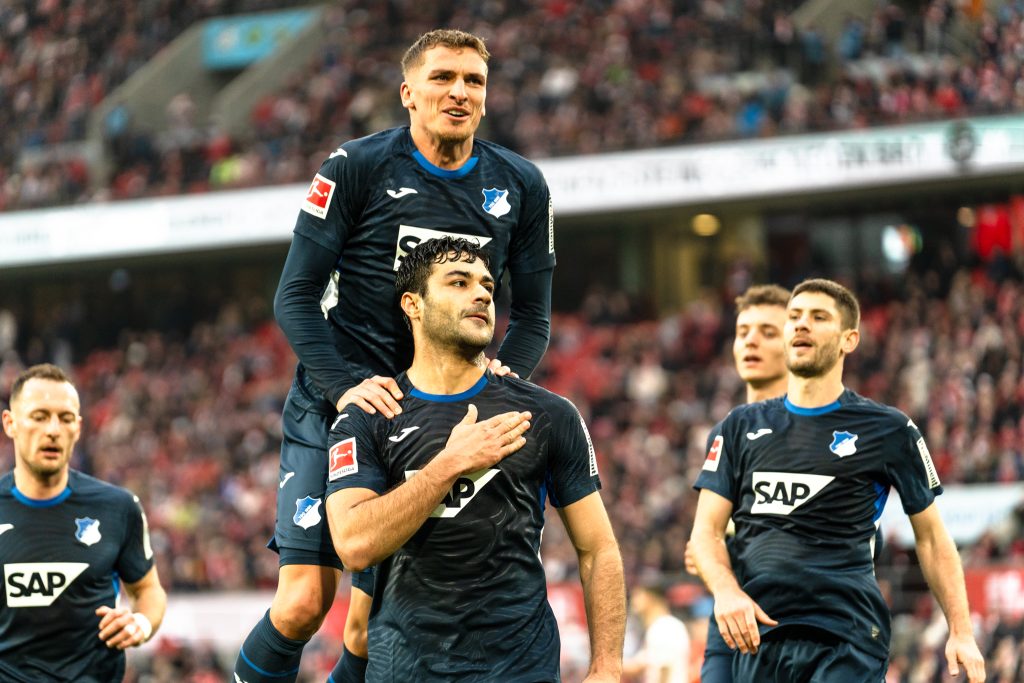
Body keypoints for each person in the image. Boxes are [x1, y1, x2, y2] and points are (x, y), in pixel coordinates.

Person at [232, 28, 556, 683]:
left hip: (429, 417)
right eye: (443, 78)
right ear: (408, 93)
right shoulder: (356, 167)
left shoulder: (520, 184)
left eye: (473, 81)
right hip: (338, 401)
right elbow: (294, 295)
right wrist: (344, 385)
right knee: (301, 605)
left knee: (363, 627)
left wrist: (503, 381)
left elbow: (533, 317)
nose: (459, 92)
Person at [325, 237, 625, 682]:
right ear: (413, 304)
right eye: (459, 282)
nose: (482, 294)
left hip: (519, 671)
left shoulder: (547, 414)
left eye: (486, 284)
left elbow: (598, 549)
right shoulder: (369, 417)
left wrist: (607, 668)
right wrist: (449, 464)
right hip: (407, 672)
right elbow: (354, 545)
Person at [690, 279, 986, 682]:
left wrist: (961, 631)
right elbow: (704, 533)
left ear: (849, 339)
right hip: (760, 636)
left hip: (847, 637)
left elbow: (932, 538)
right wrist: (726, 591)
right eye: (795, 317)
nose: (802, 325)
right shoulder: (739, 427)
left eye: (818, 317)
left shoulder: (889, 429)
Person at [0, 363, 166, 682]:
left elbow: (148, 590)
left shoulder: (118, 507)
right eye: (39, 416)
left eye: (64, 418)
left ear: (77, 428)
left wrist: (141, 623)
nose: (53, 430)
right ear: (10, 423)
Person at [687, 284, 790, 683]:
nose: (751, 341)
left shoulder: (824, 431)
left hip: (801, 616)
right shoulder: (726, 432)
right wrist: (710, 550)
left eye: (768, 331)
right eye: (743, 331)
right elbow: (709, 531)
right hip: (730, 613)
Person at [622, 581, 691, 683]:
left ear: (650, 598)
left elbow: (665, 669)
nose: (633, 601)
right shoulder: (659, 626)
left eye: (637, 595)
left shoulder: (665, 626)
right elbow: (636, 666)